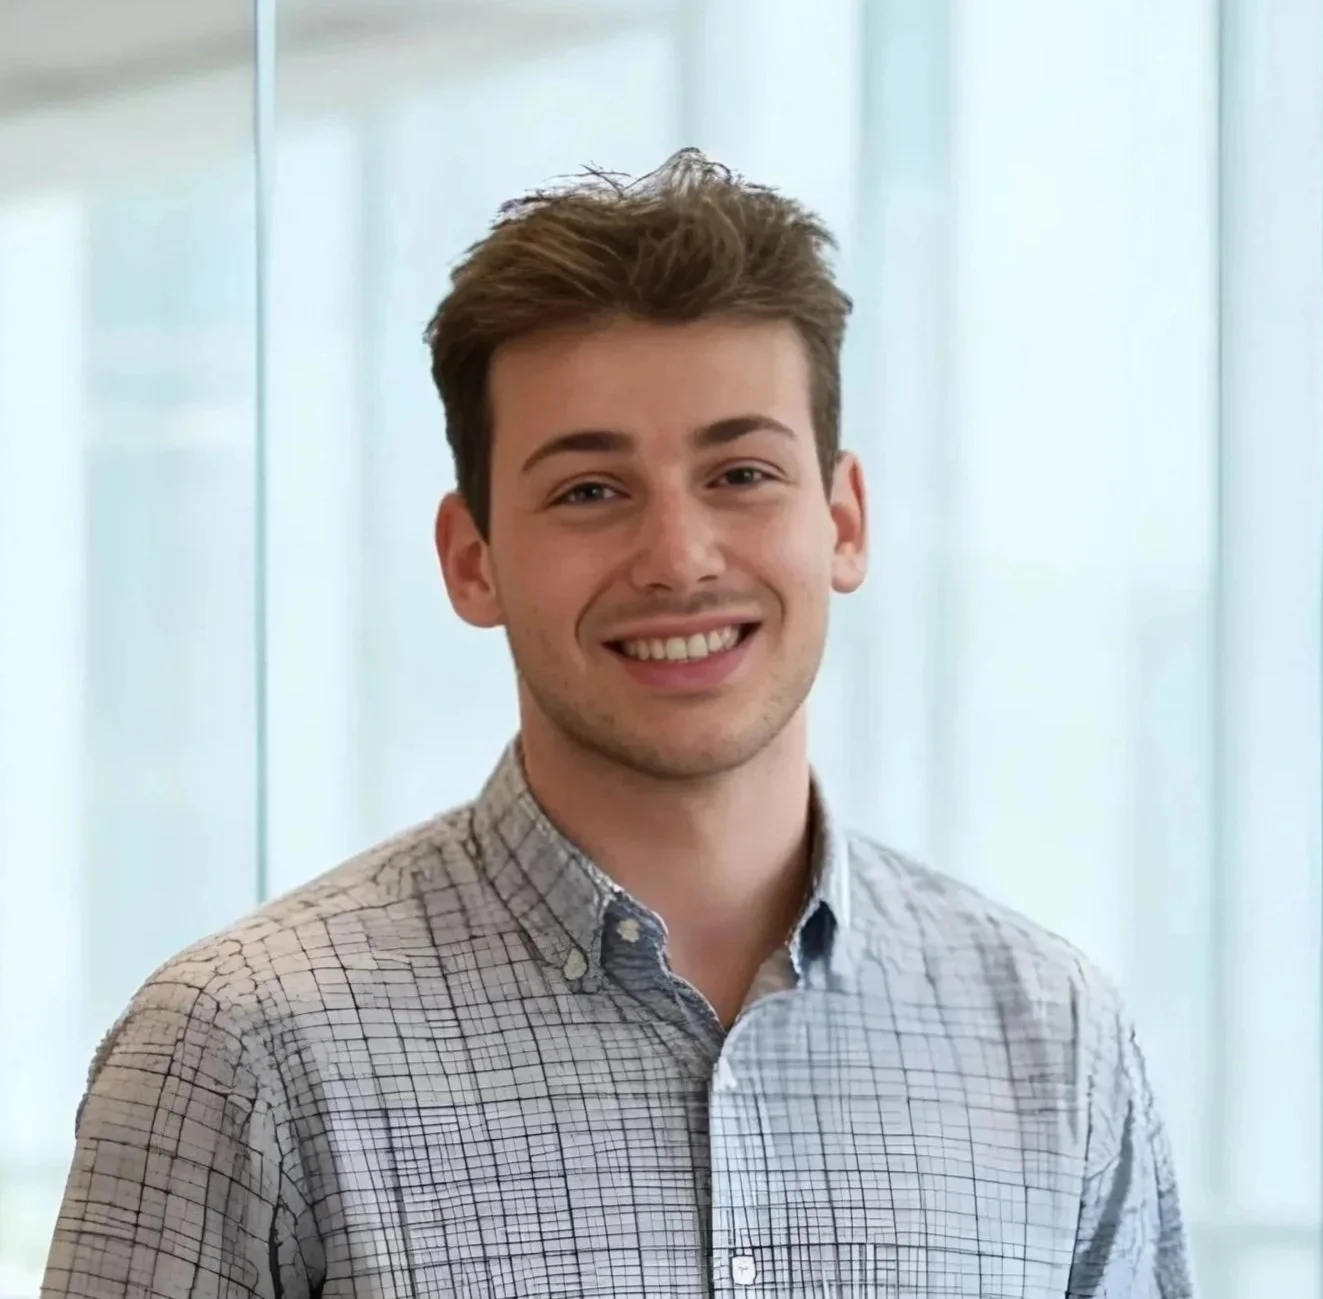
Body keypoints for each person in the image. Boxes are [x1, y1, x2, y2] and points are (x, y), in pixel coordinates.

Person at [41, 151, 1193, 1299]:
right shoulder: (241, 1050)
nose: (680, 559)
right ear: (472, 558)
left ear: (842, 521)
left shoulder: (1053, 1039)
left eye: (742, 473)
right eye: (591, 491)